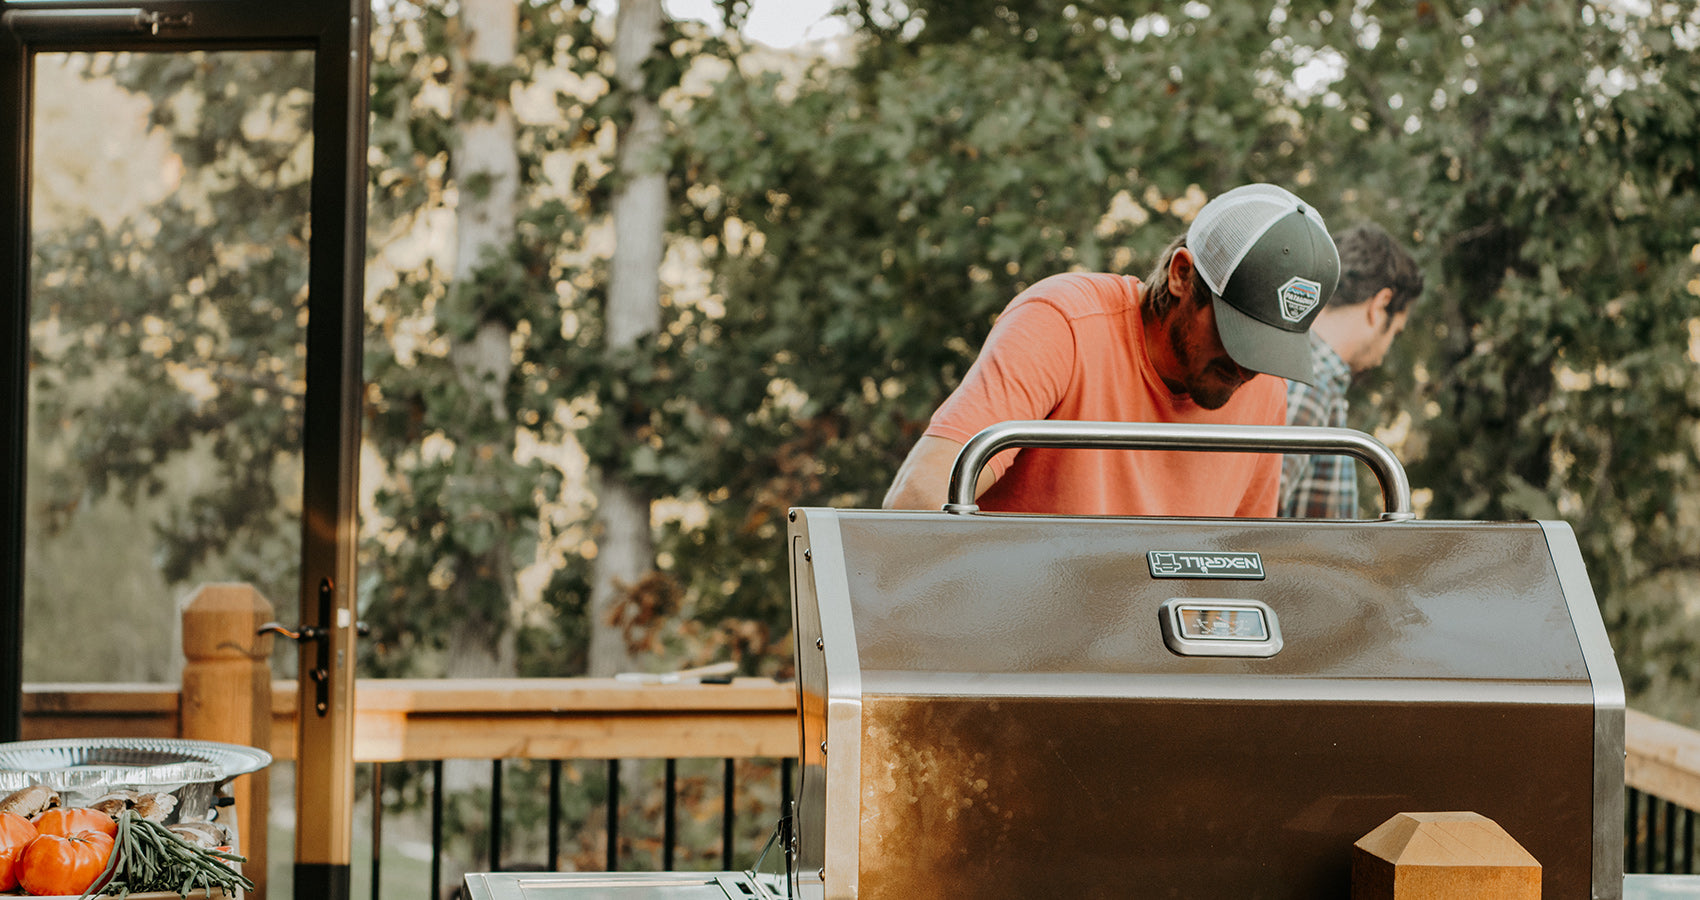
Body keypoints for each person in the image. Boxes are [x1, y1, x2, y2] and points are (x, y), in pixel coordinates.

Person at [883, 183, 1341, 516]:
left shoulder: (1264, 388)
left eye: (1269, 349)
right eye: (1238, 334)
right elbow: (915, 501)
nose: (1246, 369)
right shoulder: (1063, 326)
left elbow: (1242, 567)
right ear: (1183, 275)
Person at [1278, 223, 1423, 519]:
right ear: (1380, 305)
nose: (1383, 356)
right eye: (1394, 333)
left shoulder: (1301, 368)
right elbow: (1257, 507)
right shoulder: (1312, 380)